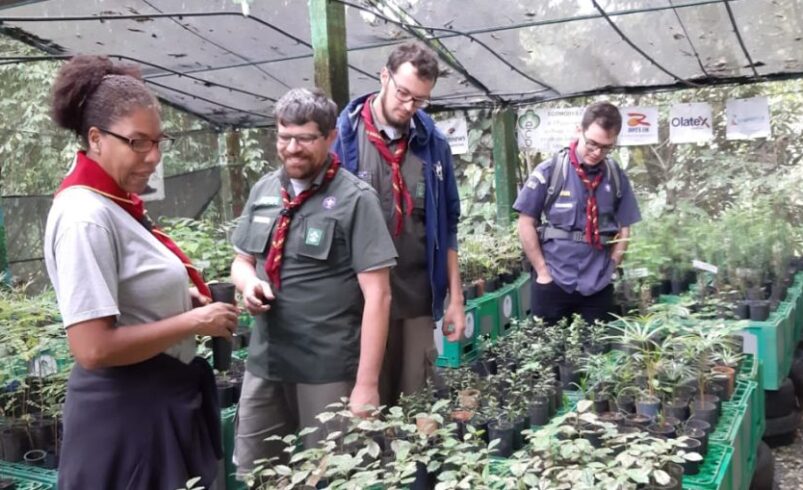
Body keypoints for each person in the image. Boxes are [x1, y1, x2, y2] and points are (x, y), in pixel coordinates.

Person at [43, 55, 238, 489]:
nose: (152, 157)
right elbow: (93, 347)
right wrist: (193, 321)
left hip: (158, 404)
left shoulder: (115, 204)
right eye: (137, 142)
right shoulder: (85, 216)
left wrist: (173, 303)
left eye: (158, 142)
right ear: (95, 138)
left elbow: (125, 294)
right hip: (129, 417)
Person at [230, 88, 396, 474]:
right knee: (261, 472)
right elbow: (242, 261)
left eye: (305, 138)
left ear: (330, 137)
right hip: (266, 362)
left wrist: (366, 385)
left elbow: (379, 296)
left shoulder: (356, 199)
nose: (292, 148)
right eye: (284, 137)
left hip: (327, 369)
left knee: (332, 474)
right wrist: (247, 284)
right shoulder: (265, 190)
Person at [333, 42, 465, 406]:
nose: (408, 107)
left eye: (419, 100)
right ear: (383, 77)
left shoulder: (432, 145)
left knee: (415, 405)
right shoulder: (343, 137)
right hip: (355, 304)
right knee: (359, 405)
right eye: (403, 93)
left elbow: (449, 224)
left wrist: (456, 298)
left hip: (415, 301)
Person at [513, 102, 641, 325]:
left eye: (606, 147)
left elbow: (625, 225)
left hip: (598, 285)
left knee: (596, 355)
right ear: (579, 130)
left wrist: (612, 265)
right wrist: (542, 272)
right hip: (553, 280)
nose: (597, 152)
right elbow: (525, 223)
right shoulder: (551, 170)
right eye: (592, 144)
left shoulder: (615, 175)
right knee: (547, 355)